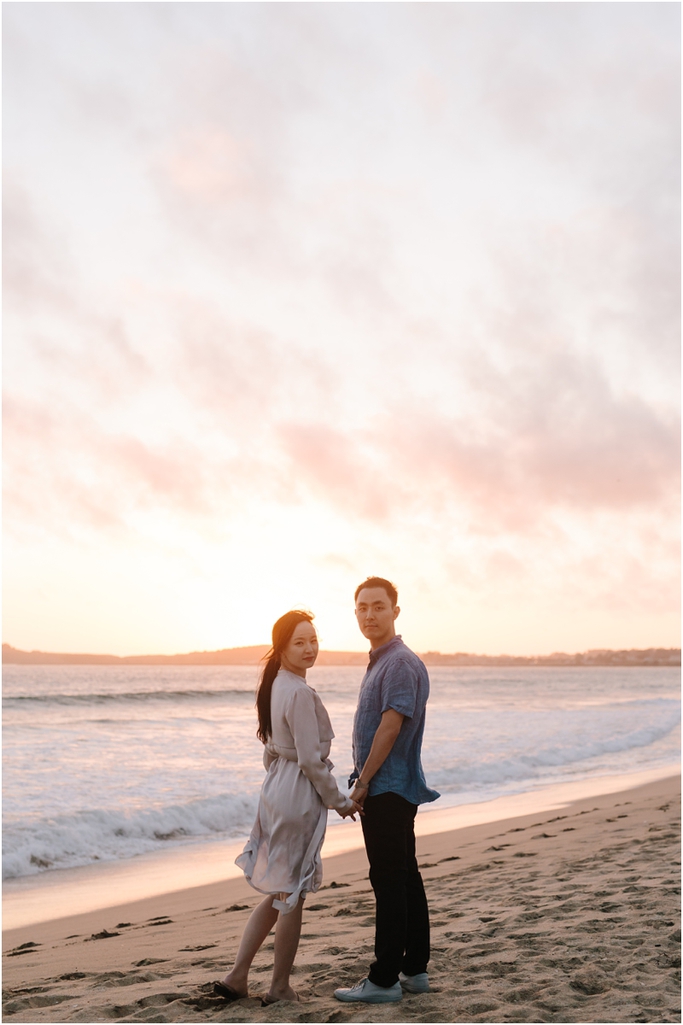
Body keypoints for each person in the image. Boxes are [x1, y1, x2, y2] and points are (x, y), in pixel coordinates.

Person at [214, 610, 360, 1005]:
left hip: (277, 787)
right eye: (299, 641)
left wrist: (282, 776)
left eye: (314, 639)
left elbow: (271, 748)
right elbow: (311, 761)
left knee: (281, 888)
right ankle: (278, 987)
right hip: (296, 792)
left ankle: (237, 975)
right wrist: (341, 801)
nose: (310, 648)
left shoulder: (277, 683)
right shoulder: (297, 691)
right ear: (281, 647)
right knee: (292, 893)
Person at [334, 577, 440, 1005]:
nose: (369, 615)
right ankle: (414, 970)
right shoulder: (383, 660)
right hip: (390, 787)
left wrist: (362, 783)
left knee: (389, 882)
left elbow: (391, 727)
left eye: (378, 607)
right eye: (362, 608)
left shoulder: (397, 662)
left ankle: (383, 980)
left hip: (387, 790)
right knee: (405, 878)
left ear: (395, 611)